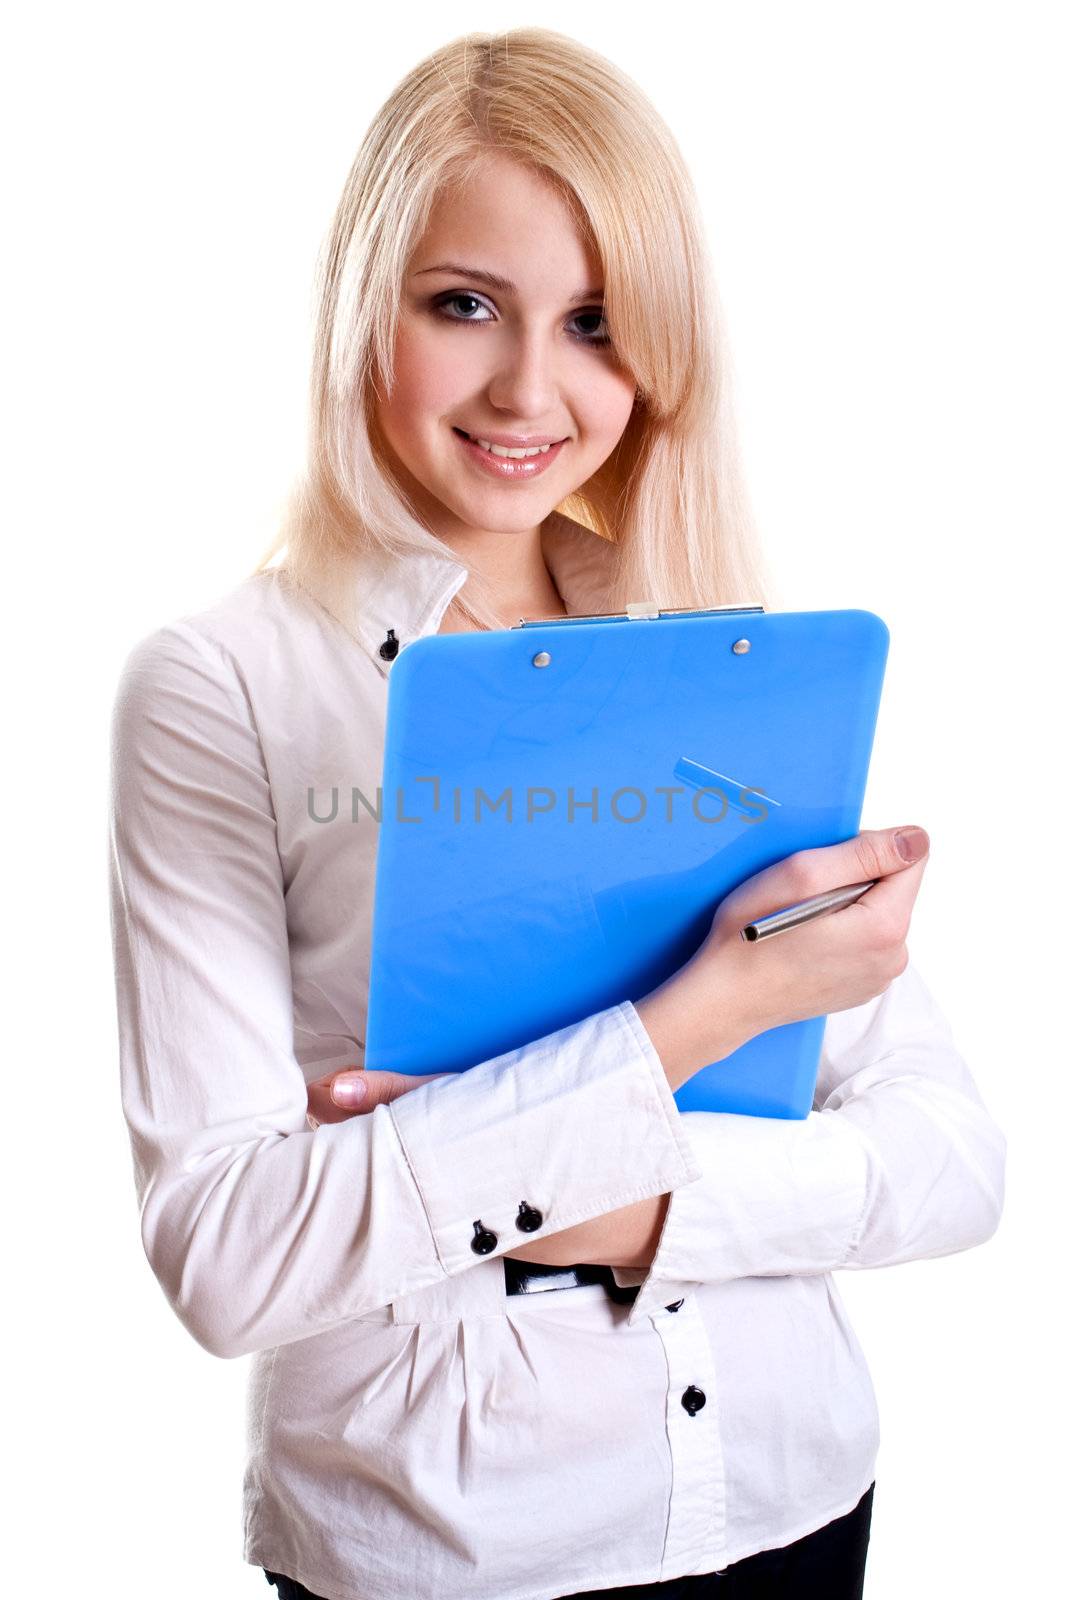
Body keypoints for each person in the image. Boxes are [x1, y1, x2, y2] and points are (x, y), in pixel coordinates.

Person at [107, 27, 1007, 1600]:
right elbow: (232, 1251)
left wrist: (618, 1213)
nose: (533, 389)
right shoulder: (225, 688)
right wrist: (712, 1014)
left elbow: (949, 1161)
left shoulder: (711, 657)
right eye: (466, 306)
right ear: (362, 307)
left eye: (597, 323)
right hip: (455, 1552)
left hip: (795, 1505)